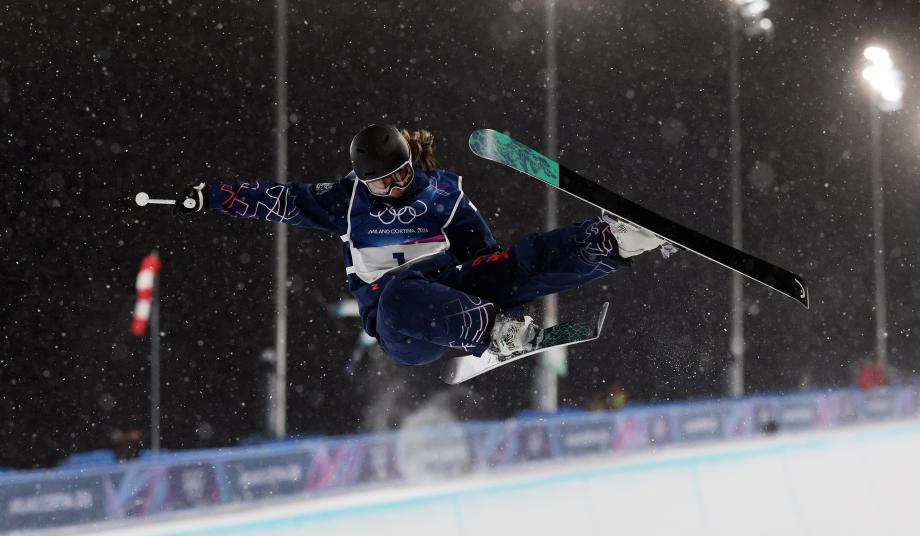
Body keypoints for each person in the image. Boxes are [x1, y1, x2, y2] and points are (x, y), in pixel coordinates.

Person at [177, 124, 674, 366]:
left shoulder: (443, 195)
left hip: (449, 286)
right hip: (402, 323)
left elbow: (489, 261)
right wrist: (211, 197)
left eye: (400, 177)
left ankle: (613, 241)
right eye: (382, 185)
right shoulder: (343, 201)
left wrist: (500, 281)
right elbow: (277, 199)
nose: (394, 190)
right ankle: (489, 333)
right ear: (361, 180)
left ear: (411, 165)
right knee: (396, 295)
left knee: (516, 259)